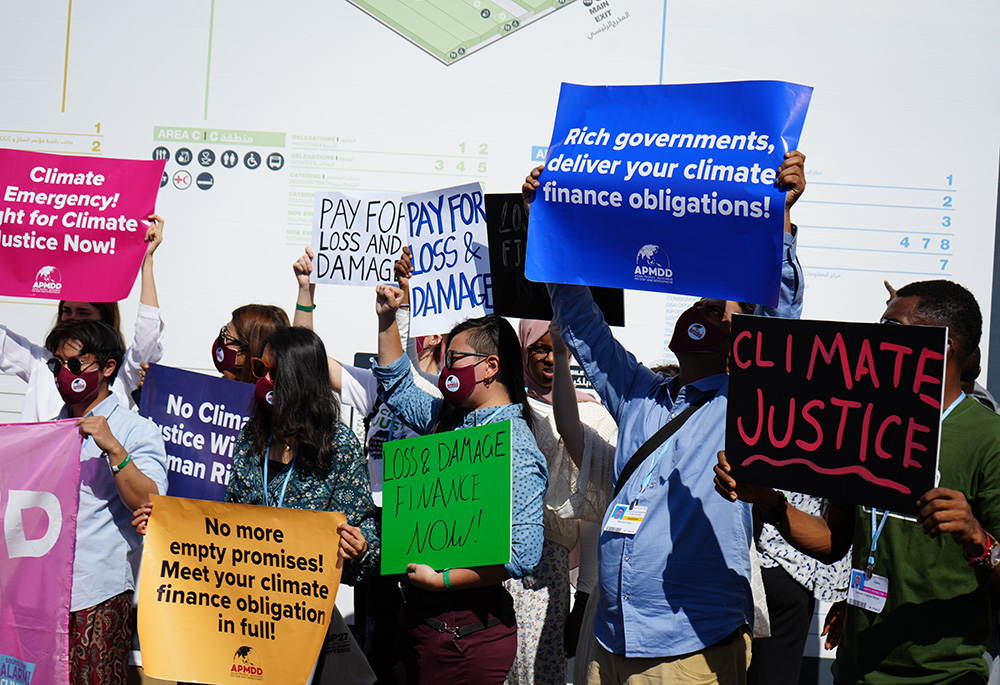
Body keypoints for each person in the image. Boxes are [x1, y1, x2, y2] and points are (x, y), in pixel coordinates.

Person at [523, 150, 807, 684]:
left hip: (689, 647)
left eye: (719, 307)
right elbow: (581, 323)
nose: (704, 309)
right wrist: (549, 224)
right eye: (698, 301)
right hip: (612, 636)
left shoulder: (744, 402)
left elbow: (779, 329)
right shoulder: (637, 393)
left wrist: (780, 221)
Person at [715, 279, 1000, 684]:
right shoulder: (865, 424)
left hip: (942, 675)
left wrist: (976, 538)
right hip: (855, 669)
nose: (875, 337)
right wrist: (765, 499)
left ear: (945, 344)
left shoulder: (988, 439)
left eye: (892, 328)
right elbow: (834, 541)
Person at [372, 284, 547, 684]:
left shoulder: (514, 444)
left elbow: (522, 553)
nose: (446, 368)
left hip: (464, 637)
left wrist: (443, 579)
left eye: (455, 359)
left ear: (490, 366)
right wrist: (386, 319)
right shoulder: (447, 421)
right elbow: (398, 388)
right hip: (418, 621)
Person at [47, 319, 168, 683]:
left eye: (74, 365)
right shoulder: (49, 429)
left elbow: (150, 502)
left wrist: (114, 448)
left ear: (107, 368)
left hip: (96, 592)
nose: (62, 374)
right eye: (56, 365)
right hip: (43, 590)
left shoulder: (136, 430)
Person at [504, 320, 617, 685]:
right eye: (539, 348)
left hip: (549, 576)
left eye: (558, 348)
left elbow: (592, 517)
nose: (550, 358)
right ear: (523, 350)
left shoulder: (593, 415)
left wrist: (583, 598)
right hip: (492, 565)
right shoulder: (507, 409)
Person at [1, 214, 165, 419]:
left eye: (84, 313)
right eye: (67, 311)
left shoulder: (120, 373)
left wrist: (147, 261)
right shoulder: (41, 362)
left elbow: (148, 335)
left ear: (105, 319)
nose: (73, 319)